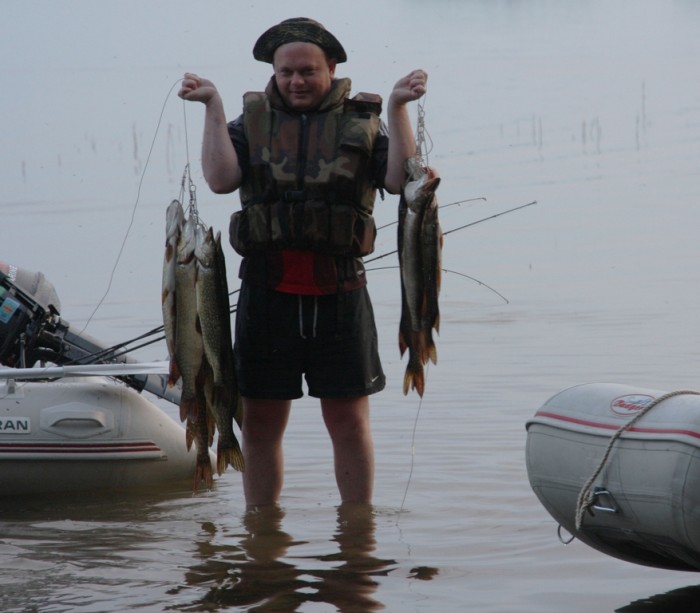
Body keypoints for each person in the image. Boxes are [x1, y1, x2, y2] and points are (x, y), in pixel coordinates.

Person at [178, 17, 429, 508]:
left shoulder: (364, 119)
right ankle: (262, 528)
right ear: (274, 71)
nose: (296, 81)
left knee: (349, 422)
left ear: (330, 68)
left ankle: (357, 533)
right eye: (287, 71)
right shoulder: (250, 121)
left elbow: (400, 180)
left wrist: (397, 107)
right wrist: (212, 105)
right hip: (266, 297)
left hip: (341, 294)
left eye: (308, 71)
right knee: (262, 424)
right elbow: (220, 179)